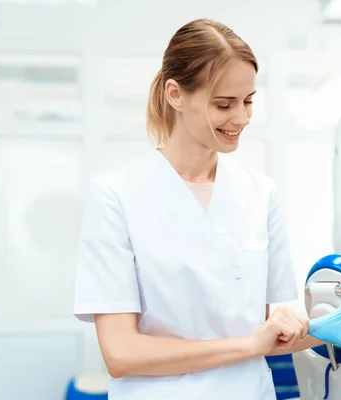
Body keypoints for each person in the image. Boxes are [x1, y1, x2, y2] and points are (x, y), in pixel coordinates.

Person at [73, 19, 324, 400]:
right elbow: (121, 353)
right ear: (175, 94)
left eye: (248, 101)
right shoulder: (116, 195)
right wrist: (249, 345)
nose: (241, 118)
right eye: (224, 104)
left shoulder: (259, 192)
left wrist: (333, 327)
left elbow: (280, 333)